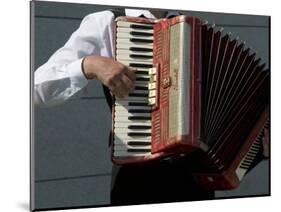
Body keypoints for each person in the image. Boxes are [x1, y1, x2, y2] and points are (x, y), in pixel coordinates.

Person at [34, 8, 226, 206]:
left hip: (196, 180)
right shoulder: (106, 22)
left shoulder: (193, 28)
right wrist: (89, 65)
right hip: (137, 177)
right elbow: (37, 89)